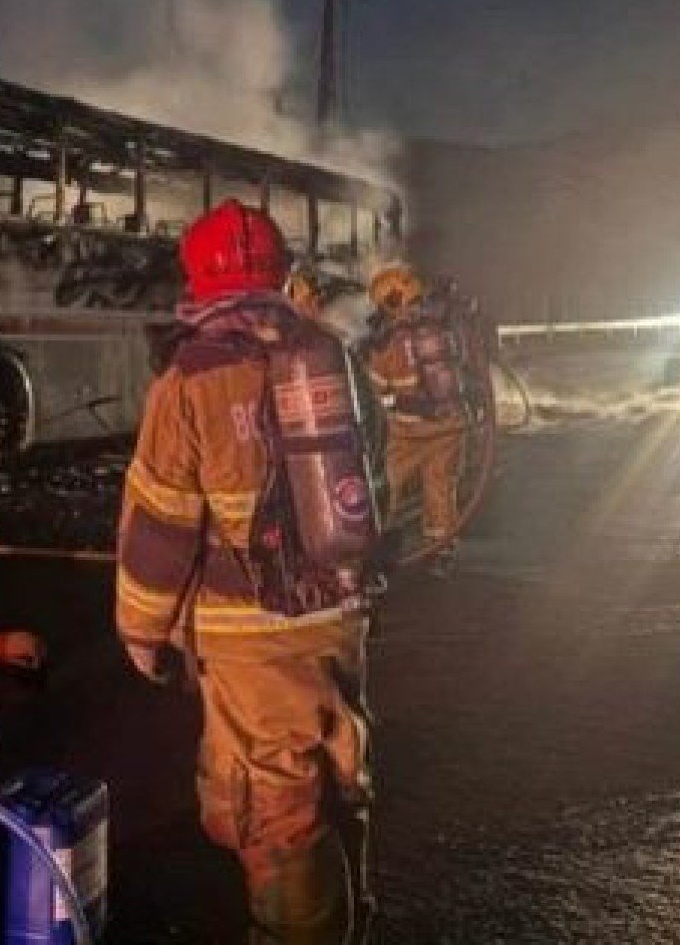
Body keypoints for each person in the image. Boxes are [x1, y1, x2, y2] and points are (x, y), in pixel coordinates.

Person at [116, 199, 372, 945]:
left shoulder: (190, 378)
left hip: (249, 639)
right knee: (337, 778)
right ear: (282, 275)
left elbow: (161, 519)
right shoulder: (332, 355)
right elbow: (372, 481)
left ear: (197, 281)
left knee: (275, 816)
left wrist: (141, 628)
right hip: (340, 618)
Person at [363, 263, 467, 574]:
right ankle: (441, 549)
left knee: (386, 488)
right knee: (440, 487)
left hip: (406, 431)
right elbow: (463, 366)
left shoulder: (384, 345)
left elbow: (376, 394)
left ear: (390, 302)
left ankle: (375, 552)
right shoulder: (442, 329)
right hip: (450, 424)